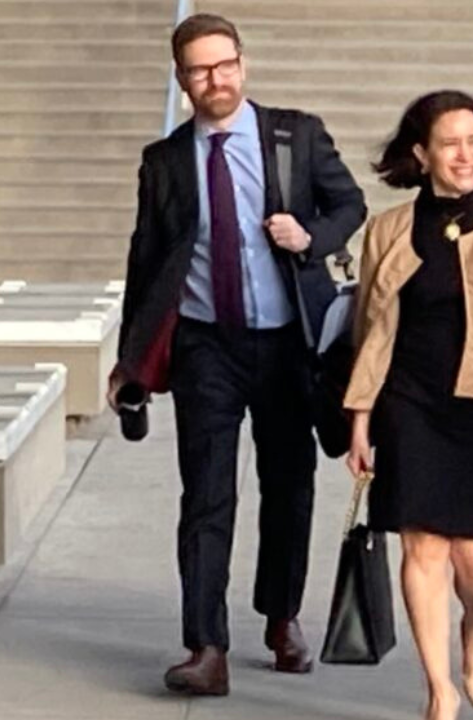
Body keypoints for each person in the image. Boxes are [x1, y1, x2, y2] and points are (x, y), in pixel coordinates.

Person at [107, 13, 366, 696]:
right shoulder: (164, 161)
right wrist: (131, 359)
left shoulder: (295, 136)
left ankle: (282, 618)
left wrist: (308, 237)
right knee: (205, 495)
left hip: (287, 343)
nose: (215, 79)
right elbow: (145, 257)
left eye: (225, 65)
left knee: (289, 488)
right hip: (205, 346)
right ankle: (206, 646)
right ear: (182, 79)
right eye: (200, 70)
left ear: (242, 65)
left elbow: (350, 205)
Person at [343, 91, 473, 720]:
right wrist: (360, 419)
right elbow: (369, 330)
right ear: (422, 153)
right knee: (424, 550)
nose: (466, 155)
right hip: (410, 403)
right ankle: (439, 691)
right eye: (451, 143)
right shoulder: (388, 230)